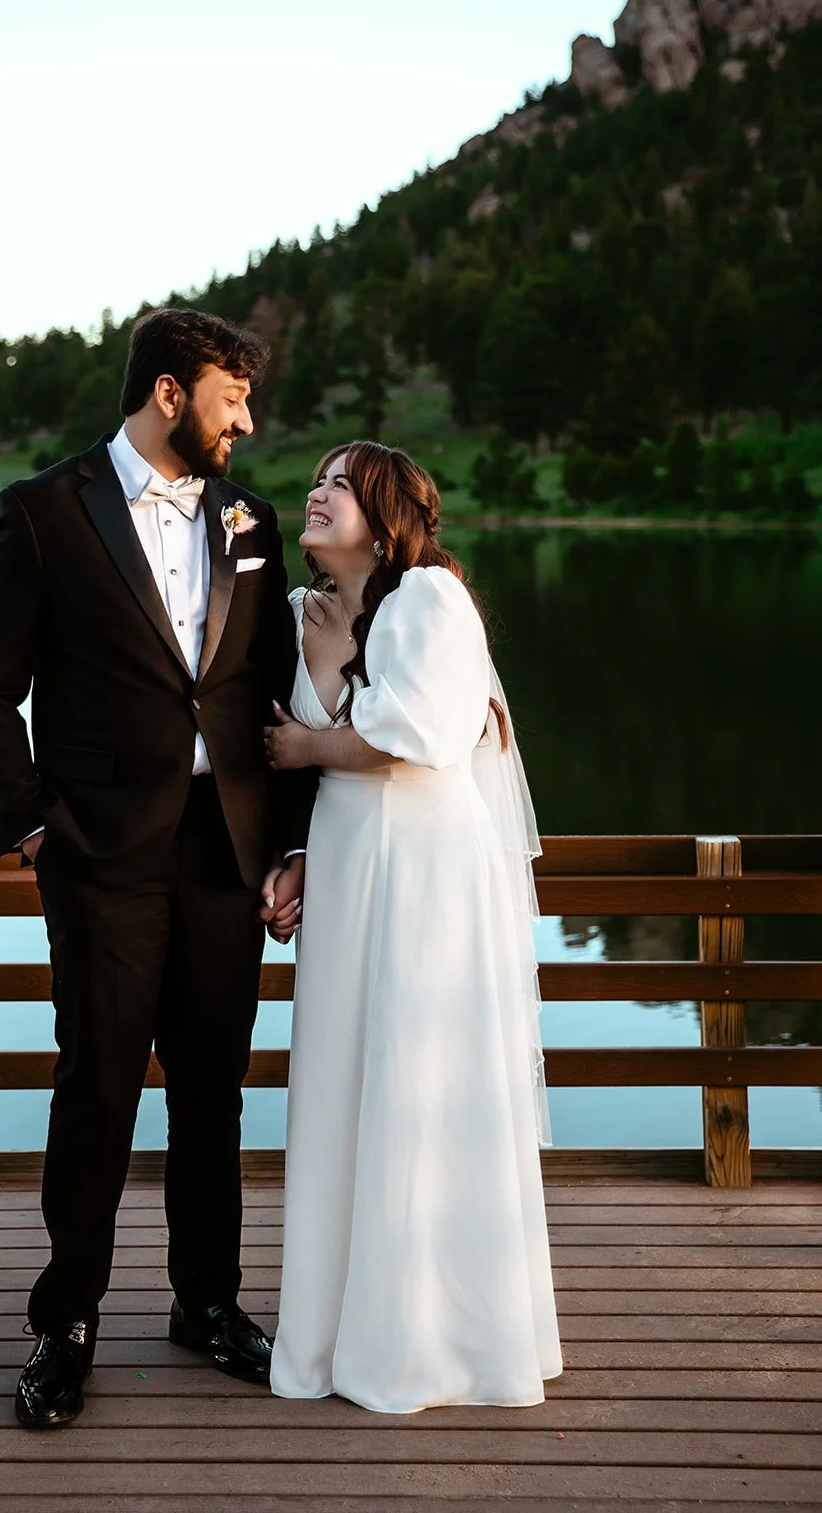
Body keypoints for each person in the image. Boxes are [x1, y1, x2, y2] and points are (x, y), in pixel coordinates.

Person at [0, 307, 314, 1428]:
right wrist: (24, 820)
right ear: (170, 394)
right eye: (230, 399)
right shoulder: (43, 511)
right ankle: (65, 1325)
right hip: (99, 856)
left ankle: (205, 1303)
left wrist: (286, 838)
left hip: (221, 853)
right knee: (100, 1087)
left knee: (211, 1092)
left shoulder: (247, 519)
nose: (244, 421)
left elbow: (271, 692)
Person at [265, 440, 562, 1414]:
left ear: (386, 512)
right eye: (314, 479)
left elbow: (418, 738)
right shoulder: (301, 612)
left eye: (339, 483)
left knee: (416, 1082)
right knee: (347, 1085)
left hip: (428, 876)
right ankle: (337, 1332)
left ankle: (435, 1343)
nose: (315, 492)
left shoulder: (427, 600)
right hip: (350, 869)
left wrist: (306, 739)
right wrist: (301, 851)